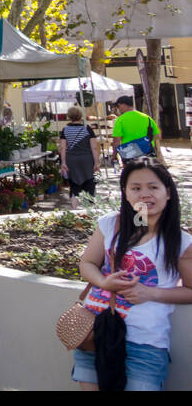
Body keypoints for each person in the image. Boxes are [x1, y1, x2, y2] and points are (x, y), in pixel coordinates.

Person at [72, 158, 192, 391]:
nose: (144, 194)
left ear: (168, 193)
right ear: (125, 194)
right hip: (93, 335)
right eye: (135, 188)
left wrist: (150, 293)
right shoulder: (110, 225)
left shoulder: (182, 242)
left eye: (153, 187)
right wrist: (104, 282)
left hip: (144, 344)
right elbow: (87, 263)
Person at [58, 105, 101, 208]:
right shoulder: (87, 129)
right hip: (87, 160)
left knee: (74, 185)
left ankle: (74, 209)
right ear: (81, 115)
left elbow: (63, 148)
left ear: (69, 116)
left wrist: (63, 162)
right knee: (89, 182)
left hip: (71, 160)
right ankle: (90, 210)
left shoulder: (65, 130)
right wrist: (96, 162)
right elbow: (94, 147)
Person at [111, 95, 158, 159]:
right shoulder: (147, 117)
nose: (118, 109)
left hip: (129, 153)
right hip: (147, 152)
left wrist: (114, 156)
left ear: (123, 105)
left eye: (118, 106)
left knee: (130, 169)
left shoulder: (120, 120)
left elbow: (116, 141)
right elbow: (157, 135)